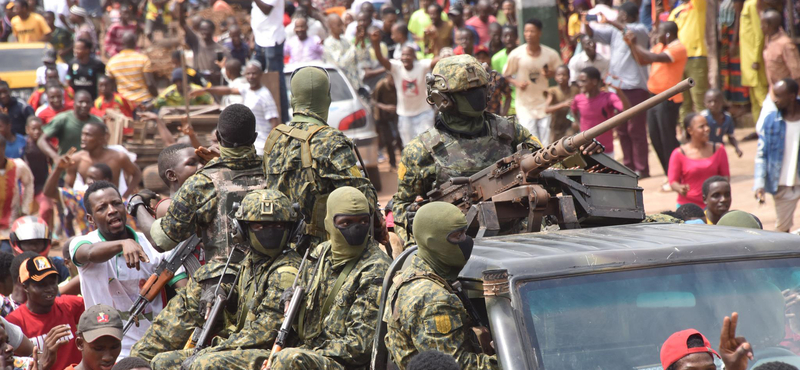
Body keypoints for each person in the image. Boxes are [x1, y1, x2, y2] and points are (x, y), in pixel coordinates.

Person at [392, 54, 603, 243]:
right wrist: (413, 219)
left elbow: (547, 163)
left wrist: (582, 154)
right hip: (459, 247)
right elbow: (401, 206)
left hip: (521, 237)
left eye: (480, 88)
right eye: (469, 92)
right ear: (443, 99)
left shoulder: (509, 132)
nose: (478, 96)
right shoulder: (422, 150)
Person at [133, 189, 301, 370]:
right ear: (242, 230)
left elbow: (265, 333)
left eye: (278, 227)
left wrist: (215, 348)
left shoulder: (287, 271)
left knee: (203, 364)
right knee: (162, 362)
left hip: (269, 351)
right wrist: (220, 290)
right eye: (259, 226)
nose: (269, 233)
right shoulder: (252, 261)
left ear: (291, 229)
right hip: (244, 346)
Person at [270, 187, 391, 369]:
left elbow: (359, 346)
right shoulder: (321, 253)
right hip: (305, 352)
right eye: (346, 222)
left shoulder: (376, 269)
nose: (355, 228)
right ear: (329, 222)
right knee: (215, 361)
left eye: (363, 221)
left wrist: (303, 354)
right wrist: (291, 302)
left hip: (343, 363)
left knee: (287, 360)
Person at [261, 66, 380, 248]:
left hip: (280, 249)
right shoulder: (331, 141)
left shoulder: (274, 138)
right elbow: (363, 200)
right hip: (321, 254)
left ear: (292, 100)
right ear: (328, 100)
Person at [69, 181, 181, 359]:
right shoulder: (83, 242)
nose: (112, 210)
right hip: (110, 354)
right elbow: (88, 253)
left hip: (157, 350)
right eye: (102, 208)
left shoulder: (152, 245)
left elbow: (182, 287)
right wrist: (123, 244)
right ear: (91, 219)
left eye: (116, 203)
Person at [149, 104, 268, 262]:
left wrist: (136, 206)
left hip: (223, 279)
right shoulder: (274, 172)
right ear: (254, 137)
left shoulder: (201, 183)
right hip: (269, 276)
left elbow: (162, 241)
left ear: (218, 137)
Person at [384, 202, 497, 369]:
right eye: (457, 236)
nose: (465, 241)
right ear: (432, 242)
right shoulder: (433, 300)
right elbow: (455, 365)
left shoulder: (409, 273)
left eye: (465, 233)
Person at [585, 1, 650, 177]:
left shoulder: (639, 29)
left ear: (628, 16)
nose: (617, 16)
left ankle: (642, 169)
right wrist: (585, 23)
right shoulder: (615, 31)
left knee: (636, 130)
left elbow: (627, 31)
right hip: (617, 87)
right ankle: (629, 167)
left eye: (620, 14)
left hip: (635, 86)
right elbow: (594, 34)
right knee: (621, 130)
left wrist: (611, 21)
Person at [625, 20, 687, 176]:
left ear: (667, 34)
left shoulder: (678, 48)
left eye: (658, 32)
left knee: (668, 138)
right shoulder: (660, 46)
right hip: (653, 97)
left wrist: (635, 43)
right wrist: (632, 46)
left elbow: (653, 57)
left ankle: (678, 173)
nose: (655, 35)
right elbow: (642, 60)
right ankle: (670, 173)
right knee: (654, 136)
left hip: (668, 99)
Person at [6, 255, 84, 370]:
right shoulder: (14, 323)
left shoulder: (68, 305)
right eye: (41, 285)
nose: (50, 289)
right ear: (25, 286)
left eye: (53, 283)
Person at [193, 61, 279, 155]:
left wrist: (272, 145)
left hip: (263, 144)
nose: (251, 76)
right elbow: (228, 90)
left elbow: (274, 121)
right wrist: (206, 90)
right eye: (248, 73)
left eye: (254, 73)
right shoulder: (247, 89)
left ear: (260, 75)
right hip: (251, 143)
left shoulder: (264, 95)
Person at [371, 29, 440, 146]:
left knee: (431, 145)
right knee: (409, 147)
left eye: (408, 54)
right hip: (404, 115)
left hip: (424, 113)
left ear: (414, 56)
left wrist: (435, 39)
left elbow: (437, 59)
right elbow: (381, 59)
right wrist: (376, 43)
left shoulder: (422, 66)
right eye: (403, 55)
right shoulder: (396, 67)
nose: (405, 57)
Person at [503, 18, 562, 146]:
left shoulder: (550, 54)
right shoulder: (516, 54)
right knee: (532, 142)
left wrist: (550, 74)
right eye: (526, 31)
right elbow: (506, 75)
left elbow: (561, 74)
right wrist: (517, 83)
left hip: (545, 104)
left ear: (540, 33)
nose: (529, 34)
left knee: (547, 143)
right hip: (525, 105)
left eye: (532, 31)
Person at [754, 78, 800, 232]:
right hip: (781, 184)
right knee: (782, 230)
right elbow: (762, 154)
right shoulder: (771, 121)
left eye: (779, 96)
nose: (775, 100)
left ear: (792, 96)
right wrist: (759, 183)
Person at [64, 122, 142, 199]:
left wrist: (124, 197)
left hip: (113, 204)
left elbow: (137, 174)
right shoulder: (77, 159)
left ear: (100, 139)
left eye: (88, 135)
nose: (83, 138)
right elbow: (68, 186)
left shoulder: (118, 157)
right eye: (83, 134)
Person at [668, 113, 731, 208]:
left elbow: (725, 177)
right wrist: (680, 188)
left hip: (714, 206)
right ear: (690, 130)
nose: (707, 129)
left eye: (707, 125)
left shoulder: (719, 149)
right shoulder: (679, 153)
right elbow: (673, 182)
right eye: (701, 127)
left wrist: (718, 193)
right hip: (688, 206)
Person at [571, 67, 629, 157]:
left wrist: (618, 90)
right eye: (579, 81)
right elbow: (573, 111)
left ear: (594, 82)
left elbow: (626, 111)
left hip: (606, 149)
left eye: (583, 81)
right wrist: (577, 123)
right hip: (586, 148)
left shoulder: (608, 97)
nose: (580, 84)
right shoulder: (578, 99)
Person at [668, 0, 708, 118]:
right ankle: (686, 132)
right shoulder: (676, 11)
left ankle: (704, 130)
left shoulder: (697, 5)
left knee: (699, 98)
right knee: (683, 100)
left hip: (696, 56)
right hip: (677, 59)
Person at [37, 90, 103, 160]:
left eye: (87, 102)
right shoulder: (63, 119)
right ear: (74, 103)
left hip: (88, 167)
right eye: (81, 102)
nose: (84, 105)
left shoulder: (97, 122)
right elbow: (41, 140)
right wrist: (55, 157)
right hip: (66, 167)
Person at [251, 0, 288, 123]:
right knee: (255, 75)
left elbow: (266, 9)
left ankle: (282, 118)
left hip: (272, 40)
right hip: (260, 39)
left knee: (276, 79)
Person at [0, 135, 34, 252]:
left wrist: (25, 209)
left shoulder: (18, 166)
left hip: (10, 226)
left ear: (3, 149)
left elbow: (29, 183)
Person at [106, 32, 158, 105]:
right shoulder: (143, 59)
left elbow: (110, 86)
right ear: (135, 43)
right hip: (144, 101)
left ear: (122, 43)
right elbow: (150, 83)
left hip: (124, 103)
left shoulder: (112, 62)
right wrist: (156, 97)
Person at [740, 0, 768, 122]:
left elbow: (759, 34)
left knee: (762, 98)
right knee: (754, 101)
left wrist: (756, 58)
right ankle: (759, 130)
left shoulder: (753, 4)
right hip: (747, 59)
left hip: (753, 61)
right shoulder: (748, 4)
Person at [762, 9, 800, 100]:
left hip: (786, 96)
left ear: (769, 26)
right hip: (773, 92)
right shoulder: (768, 39)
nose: (760, 27)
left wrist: (796, 98)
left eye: (762, 24)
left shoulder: (785, 45)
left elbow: (797, 74)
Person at [179, 11, 229, 80]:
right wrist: (181, 6)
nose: (204, 32)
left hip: (214, 85)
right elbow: (183, 24)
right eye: (202, 30)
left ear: (212, 30)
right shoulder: (197, 43)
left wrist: (217, 74)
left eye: (206, 30)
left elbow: (223, 68)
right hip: (199, 82)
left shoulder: (219, 50)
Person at [23, 117, 53, 231]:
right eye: (33, 129)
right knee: (23, 212)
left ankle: (43, 232)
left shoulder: (46, 145)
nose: (36, 132)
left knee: (46, 208)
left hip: (41, 184)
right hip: (24, 185)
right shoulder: (23, 144)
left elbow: (53, 162)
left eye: (39, 129)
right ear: (27, 130)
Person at [323, 13, 360, 89]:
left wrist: (360, 41)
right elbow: (341, 63)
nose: (341, 27)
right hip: (341, 85)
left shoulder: (345, 40)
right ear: (331, 26)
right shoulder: (329, 43)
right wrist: (355, 45)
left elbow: (357, 57)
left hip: (354, 82)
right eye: (338, 25)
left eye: (341, 24)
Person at [147, 68, 214, 111]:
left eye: (180, 81)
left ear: (186, 80)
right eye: (176, 82)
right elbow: (156, 102)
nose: (178, 84)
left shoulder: (197, 90)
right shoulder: (170, 92)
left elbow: (212, 103)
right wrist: (146, 107)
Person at [702, 89, 743, 157]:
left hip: (719, 150)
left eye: (716, 101)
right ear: (705, 103)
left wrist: (737, 148)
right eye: (709, 101)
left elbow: (731, 136)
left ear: (722, 102)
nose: (713, 104)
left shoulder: (727, 118)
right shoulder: (703, 117)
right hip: (705, 151)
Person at [372, 71, 400, 169]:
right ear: (387, 77)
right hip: (383, 117)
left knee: (399, 138)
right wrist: (385, 107)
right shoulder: (381, 85)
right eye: (391, 78)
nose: (393, 81)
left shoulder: (398, 84)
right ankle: (392, 164)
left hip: (396, 114)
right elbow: (373, 100)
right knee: (388, 140)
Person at [546, 65, 579, 144]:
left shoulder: (575, 90)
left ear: (569, 77)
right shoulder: (552, 91)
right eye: (559, 75)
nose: (561, 77)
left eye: (564, 75)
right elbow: (546, 109)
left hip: (570, 126)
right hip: (556, 128)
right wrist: (563, 104)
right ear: (555, 77)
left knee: (568, 146)